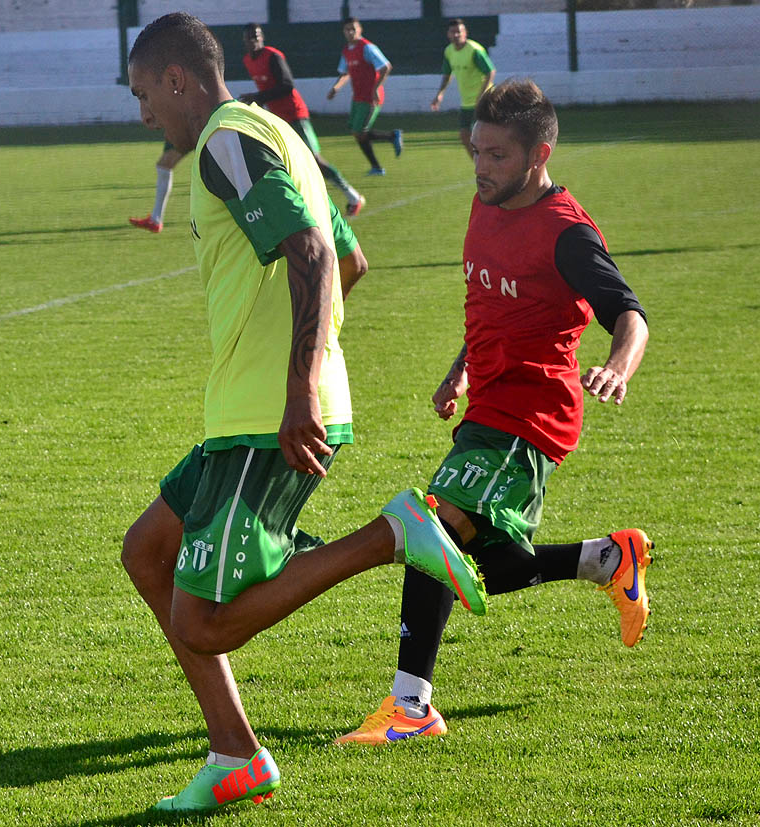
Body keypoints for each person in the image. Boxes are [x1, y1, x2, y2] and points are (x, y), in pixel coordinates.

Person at [122, 12, 487, 812]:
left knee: (206, 623)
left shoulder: (224, 141)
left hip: (269, 413)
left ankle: (394, 533)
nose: (145, 113)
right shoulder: (275, 131)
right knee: (148, 551)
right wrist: (301, 360)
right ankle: (235, 754)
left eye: (146, 93)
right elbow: (351, 258)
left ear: (177, 78)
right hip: (250, 409)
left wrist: (297, 386)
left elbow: (316, 255)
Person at [337, 78, 653, 746]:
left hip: (532, 414)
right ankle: (606, 558)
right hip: (488, 405)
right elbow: (493, 302)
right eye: (476, 152)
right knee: (486, 563)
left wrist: (617, 367)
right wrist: (459, 372)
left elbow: (630, 314)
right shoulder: (487, 204)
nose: (481, 168)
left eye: (497, 156)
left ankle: (410, 707)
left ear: (538, 154)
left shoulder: (566, 233)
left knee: (435, 524)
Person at [239, 23, 365, 217]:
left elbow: (287, 85)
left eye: (257, 36)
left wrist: (257, 97)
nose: (254, 40)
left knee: (314, 160)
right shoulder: (248, 60)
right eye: (250, 37)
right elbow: (265, 90)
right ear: (245, 41)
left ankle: (353, 197)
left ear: (262, 37)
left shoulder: (272, 56)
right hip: (278, 119)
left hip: (295, 114)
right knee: (283, 163)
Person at [327, 18, 402, 176]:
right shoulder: (347, 50)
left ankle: (382, 156)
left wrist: (375, 88)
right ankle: (381, 157)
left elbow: (385, 67)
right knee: (356, 132)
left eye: (353, 29)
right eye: (347, 29)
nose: (350, 32)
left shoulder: (367, 47)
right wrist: (336, 88)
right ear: (343, 32)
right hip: (358, 97)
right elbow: (345, 73)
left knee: (360, 131)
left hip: (371, 97)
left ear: (360, 30)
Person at [430, 18, 496, 159]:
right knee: (464, 135)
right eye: (452, 32)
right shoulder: (449, 52)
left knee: (486, 136)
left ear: (465, 33)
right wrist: (439, 94)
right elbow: (447, 74)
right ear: (448, 34)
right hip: (467, 102)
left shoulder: (474, 50)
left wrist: (482, 95)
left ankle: (494, 164)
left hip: (484, 101)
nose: (456, 35)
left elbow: (490, 71)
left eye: (459, 32)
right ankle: (479, 165)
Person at [130, 141, 187, 233]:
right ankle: (155, 219)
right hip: (186, 129)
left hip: (190, 129)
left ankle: (155, 220)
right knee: (164, 165)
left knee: (164, 165)